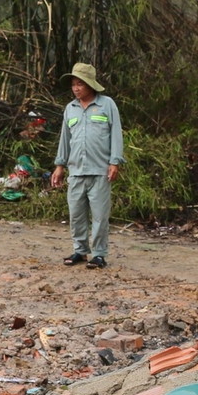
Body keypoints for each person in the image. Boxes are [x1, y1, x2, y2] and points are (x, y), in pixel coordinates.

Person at [49, 62, 124, 268]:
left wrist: (114, 161)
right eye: (73, 84)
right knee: (76, 214)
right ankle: (80, 251)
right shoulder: (70, 109)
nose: (76, 88)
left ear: (91, 84)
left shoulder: (107, 105)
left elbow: (116, 134)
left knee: (100, 215)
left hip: (100, 171)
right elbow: (65, 139)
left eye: (80, 84)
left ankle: (99, 254)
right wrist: (59, 166)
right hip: (76, 171)